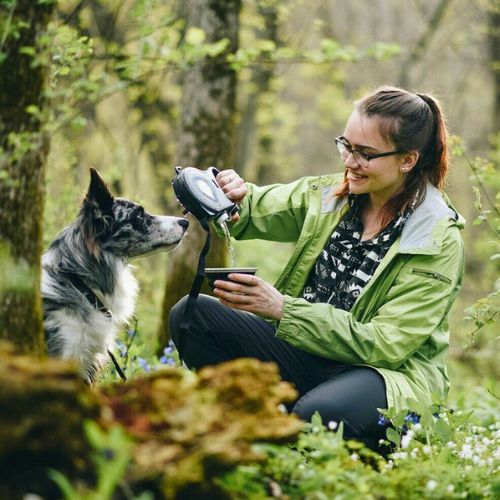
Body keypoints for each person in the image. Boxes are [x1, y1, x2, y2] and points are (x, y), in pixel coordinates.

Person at [169, 86, 465, 451]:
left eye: (365, 154)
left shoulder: (436, 238)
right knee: (191, 315)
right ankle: (258, 432)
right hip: (308, 353)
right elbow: (261, 207)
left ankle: (326, 441)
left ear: (407, 160)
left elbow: (386, 344)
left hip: (386, 376)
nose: (349, 162)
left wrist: (282, 309)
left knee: (320, 413)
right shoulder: (335, 194)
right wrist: (228, 196)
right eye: (346, 146)